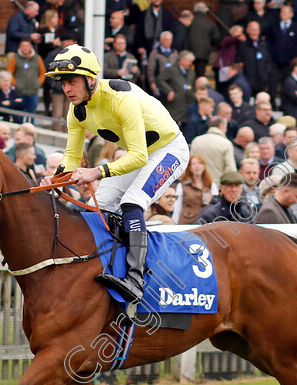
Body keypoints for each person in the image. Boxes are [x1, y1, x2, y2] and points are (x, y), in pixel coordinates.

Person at [41, 44, 189, 306]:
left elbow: (140, 156)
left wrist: (96, 172)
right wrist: (53, 179)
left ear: (90, 79)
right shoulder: (76, 110)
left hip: (168, 150)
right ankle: (98, 267)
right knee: (93, 210)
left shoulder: (120, 98)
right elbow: (72, 158)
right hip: (137, 155)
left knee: (131, 203)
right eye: (62, 83)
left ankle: (135, 278)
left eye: (71, 81)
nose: (66, 89)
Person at [172, 155, 217, 224]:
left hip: (205, 222)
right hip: (187, 222)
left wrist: (212, 200)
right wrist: (174, 224)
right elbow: (177, 207)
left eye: (200, 163)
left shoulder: (211, 185)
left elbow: (217, 204)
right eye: (194, 164)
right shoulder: (182, 185)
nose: (197, 166)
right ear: (190, 168)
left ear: (204, 167)